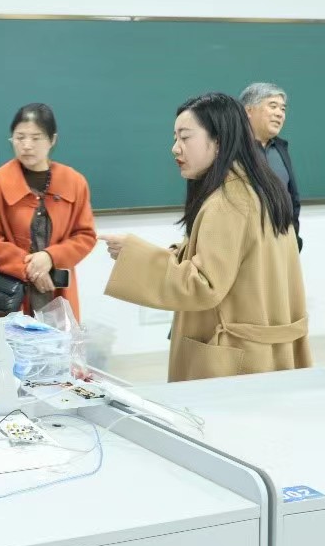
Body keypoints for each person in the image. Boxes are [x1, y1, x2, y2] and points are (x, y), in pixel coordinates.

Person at [99, 92, 311, 382]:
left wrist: (133, 257)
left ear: (219, 141)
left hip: (235, 359)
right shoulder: (261, 189)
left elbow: (204, 284)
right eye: (175, 137)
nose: (175, 148)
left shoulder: (228, 201)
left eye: (185, 137)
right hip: (266, 351)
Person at [0, 103, 96, 320]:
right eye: (20, 137)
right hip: (7, 292)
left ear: (52, 140)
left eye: (36, 138)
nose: (27, 145)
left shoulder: (74, 182)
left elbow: (85, 236)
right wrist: (31, 267)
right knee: (10, 340)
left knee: (58, 340)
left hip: (56, 290)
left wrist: (50, 257)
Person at [240, 82, 302, 251]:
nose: (279, 114)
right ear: (248, 111)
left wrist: (294, 236)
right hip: (248, 247)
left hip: (283, 243)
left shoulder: (281, 148)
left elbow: (292, 197)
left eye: (283, 109)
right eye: (273, 106)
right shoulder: (232, 151)